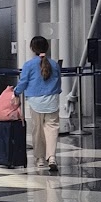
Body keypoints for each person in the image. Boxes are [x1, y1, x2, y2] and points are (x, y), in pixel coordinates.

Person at [16, 34, 62, 174]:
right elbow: (58, 82)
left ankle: (40, 159)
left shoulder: (29, 64)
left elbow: (23, 82)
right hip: (52, 100)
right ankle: (52, 157)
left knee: (37, 130)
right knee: (52, 129)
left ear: (32, 48)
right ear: (47, 48)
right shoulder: (54, 64)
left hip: (35, 101)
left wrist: (16, 92)